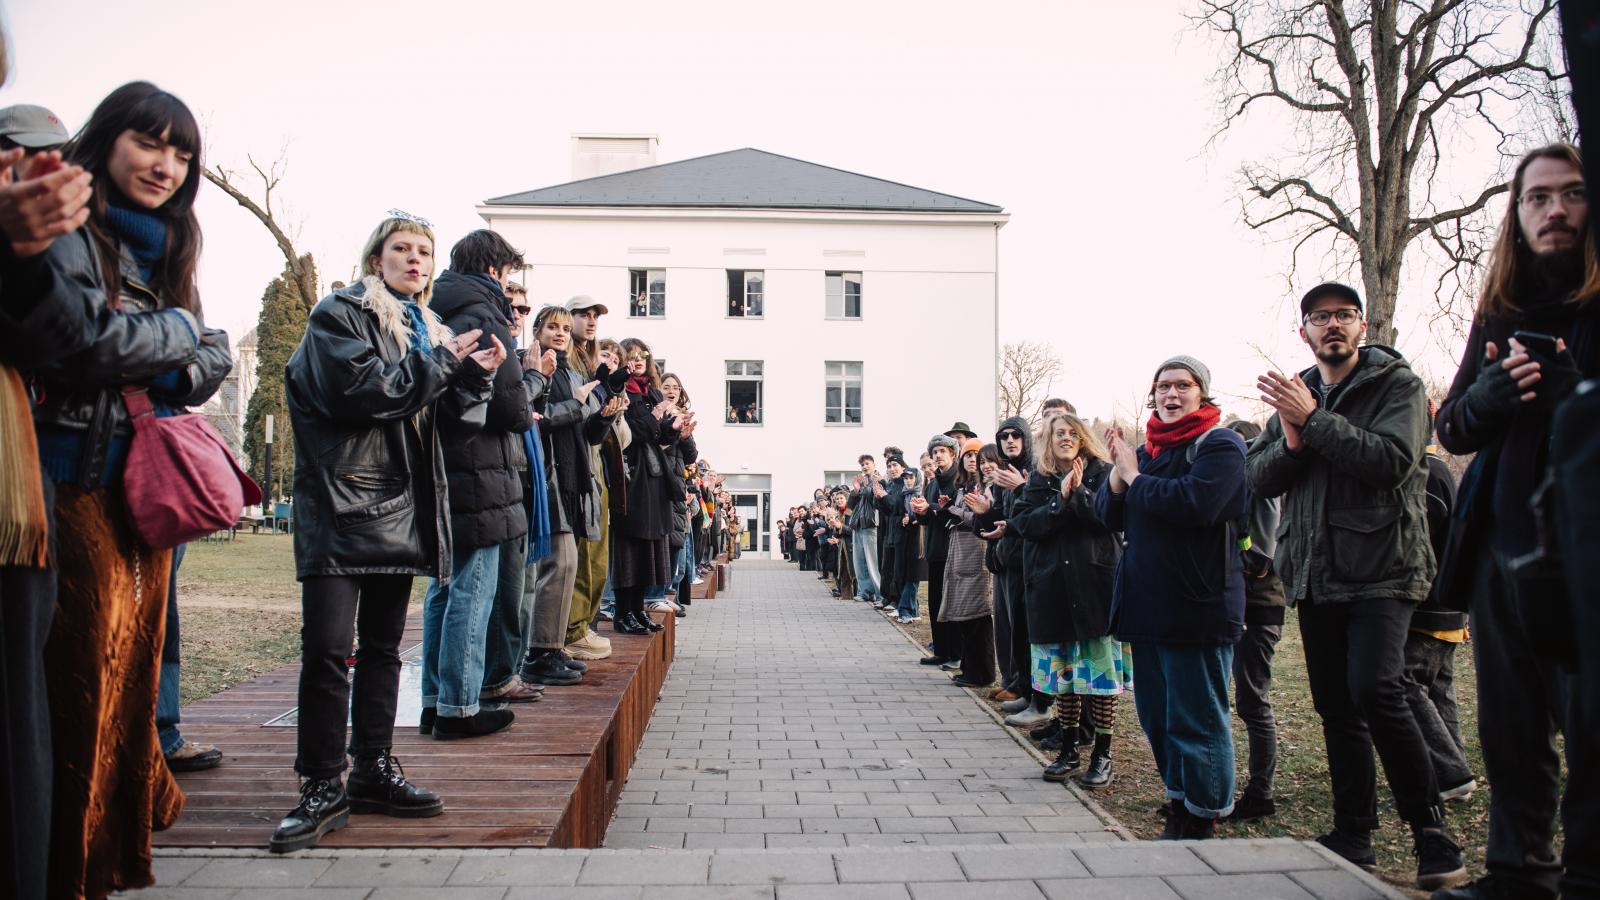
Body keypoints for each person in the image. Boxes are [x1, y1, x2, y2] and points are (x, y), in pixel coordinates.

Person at [29, 84, 232, 895]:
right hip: (72, 475)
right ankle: (63, 869)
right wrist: (179, 338)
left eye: (182, 155)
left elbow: (208, 356)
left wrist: (178, 346)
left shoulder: (169, 243)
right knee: (82, 683)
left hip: (143, 492)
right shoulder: (70, 226)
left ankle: (108, 860)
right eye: (151, 144)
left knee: (131, 682)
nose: (166, 166)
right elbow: (83, 341)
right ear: (108, 140)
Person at [276, 211, 503, 853]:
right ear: (377, 258)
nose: (415, 260)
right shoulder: (340, 315)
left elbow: (452, 427)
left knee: (381, 648)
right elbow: (369, 394)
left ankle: (373, 768)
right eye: (402, 248)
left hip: (402, 505)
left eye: (425, 252)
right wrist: (441, 363)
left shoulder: (428, 327)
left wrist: (476, 376)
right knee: (326, 649)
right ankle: (321, 783)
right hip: (342, 502)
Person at [1247, 283, 1463, 889]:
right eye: (1321, 317)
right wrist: (1292, 438)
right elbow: (1257, 477)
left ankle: (1432, 836)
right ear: (1305, 331)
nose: (1333, 325)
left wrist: (1312, 423)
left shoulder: (1397, 386)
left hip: (1383, 568)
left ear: (1362, 326)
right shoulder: (1297, 394)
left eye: (1344, 315)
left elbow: (1392, 461)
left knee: (1377, 690)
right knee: (1335, 705)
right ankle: (1353, 834)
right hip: (1316, 574)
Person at [1432, 143, 1599, 900]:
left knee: (1589, 717)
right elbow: (1454, 426)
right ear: (1518, 214)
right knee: (1511, 718)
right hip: (1504, 544)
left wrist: (1577, 394)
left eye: (1571, 194)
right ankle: (1517, 870)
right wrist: (1494, 395)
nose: (1555, 209)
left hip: (1586, 546)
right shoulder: (1500, 310)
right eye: (1538, 198)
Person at [0, 95, 94, 900]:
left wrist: (22, 251)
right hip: (48, 479)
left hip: (17, 499)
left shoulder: (52, 246)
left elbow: (65, 333)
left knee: (22, 719)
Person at [1095, 355, 1247, 841]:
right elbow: (1106, 515)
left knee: (1196, 718)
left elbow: (1194, 504)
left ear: (1202, 393)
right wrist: (1120, 474)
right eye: (1163, 386)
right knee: (1157, 717)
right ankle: (1179, 797)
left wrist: (1134, 477)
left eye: (1183, 385)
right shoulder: (1150, 451)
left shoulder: (1220, 445)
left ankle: (1204, 812)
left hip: (1196, 607)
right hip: (1147, 608)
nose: (1171, 394)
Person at [419, 230, 533, 736]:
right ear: (494, 269)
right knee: (474, 589)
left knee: (443, 588)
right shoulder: (486, 316)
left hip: (445, 463)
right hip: (481, 466)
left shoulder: (437, 306)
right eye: (509, 275)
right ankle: (460, 706)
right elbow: (509, 408)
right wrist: (530, 386)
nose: (510, 287)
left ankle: (434, 698)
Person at [1011, 413, 1125, 787]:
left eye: (1072, 433)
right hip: (1052, 591)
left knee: (1099, 680)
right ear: (1049, 439)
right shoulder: (1040, 480)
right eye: (1059, 433)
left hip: (1093, 589)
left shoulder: (1102, 473)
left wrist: (1079, 493)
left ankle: (1103, 755)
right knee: (1065, 680)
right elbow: (1027, 525)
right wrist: (1060, 498)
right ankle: (1069, 749)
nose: (1065, 438)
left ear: (1083, 438)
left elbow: (1107, 519)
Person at [521, 306, 624, 685]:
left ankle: (554, 647)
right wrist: (580, 403)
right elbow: (539, 419)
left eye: (565, 328)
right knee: (559, 565)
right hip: (546, 476)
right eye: (553, 327)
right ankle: (541, 651)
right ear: (538, 331)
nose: (561, 333)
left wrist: (605, 415)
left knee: (567, 566)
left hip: (572, 477)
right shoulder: (530, 365)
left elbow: (589, 435)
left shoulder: (573, 372)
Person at [1404, 427, 1475, 804]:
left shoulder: (1426, 472)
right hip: (1447, 606)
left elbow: (1422, 542)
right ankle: (1455, 775)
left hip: (1428, 605)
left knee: (1404, 683)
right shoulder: (1438, 468)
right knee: (1439, 689)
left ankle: (1449, 772)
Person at [1222, 419, 1284, 822]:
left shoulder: (1261, 488)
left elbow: (1261, 555)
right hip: (1235, 605)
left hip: (1258, 607)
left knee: (1252, 701)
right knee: (1234, 702)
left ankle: (1261, 793)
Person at [612, 338, 688, 634]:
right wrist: (657, 418)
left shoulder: (650, 391)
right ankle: (623, 613)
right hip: (633, 478)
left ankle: (638, 610)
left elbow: (656, 435)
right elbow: (634, 433)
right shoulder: (623, 390)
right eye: (631, 355)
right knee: (630, 548)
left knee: (650, 549)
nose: (638, 359)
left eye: (643, 354)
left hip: (654, 478)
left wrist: (675, 428)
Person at [937, 438, 997, 688]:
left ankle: (981, 673)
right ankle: (969, 668)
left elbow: (980, 518)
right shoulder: (964, 485)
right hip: (961, 553)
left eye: (980, 458)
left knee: (977, 616)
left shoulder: (986, 487)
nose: (975, 462)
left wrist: (955, 512)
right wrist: (950, 508)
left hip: (976, 553)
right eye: (970, 457)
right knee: (964, 616)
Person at [987, 417, 1035, 710]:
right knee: (1008, 626)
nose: (1009, 441)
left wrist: (1021, 487)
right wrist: (983, 514)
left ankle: (1027, 690)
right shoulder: (1004, 473)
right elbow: (999, 514)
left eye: (1015, 435)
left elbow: (1037, 512)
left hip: (1026, 561)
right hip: (1005, 558)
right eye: (1003, 436)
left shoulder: (1033, 470)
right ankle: (1015, 682)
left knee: (1024, 629)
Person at [910, 434, 963, 665]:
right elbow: (927, 519)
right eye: (934, 452)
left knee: (952, 602)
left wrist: (930, 509)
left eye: (942, 451)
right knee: (935, 602)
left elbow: (953, 512)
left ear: (952, 454)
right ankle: (941, 650)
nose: (938, 456)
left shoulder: (959, 481)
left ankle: (956, 653)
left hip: (953, 548)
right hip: (934, 548)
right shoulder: (932, 485)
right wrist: (920, 512)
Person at [846, 454, 885, 605]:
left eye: (867, 463)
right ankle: (864, 592)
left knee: (873, 562)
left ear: (874, 464)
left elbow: (876, 500)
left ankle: (880, 594)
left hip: (871, 525)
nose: (864, 467)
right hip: (858, 524)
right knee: (859, 562)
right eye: (862, 464)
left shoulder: (879, 480)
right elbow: (850, 505)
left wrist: (865, 488)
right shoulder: (860, 482)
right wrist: (856, 490)